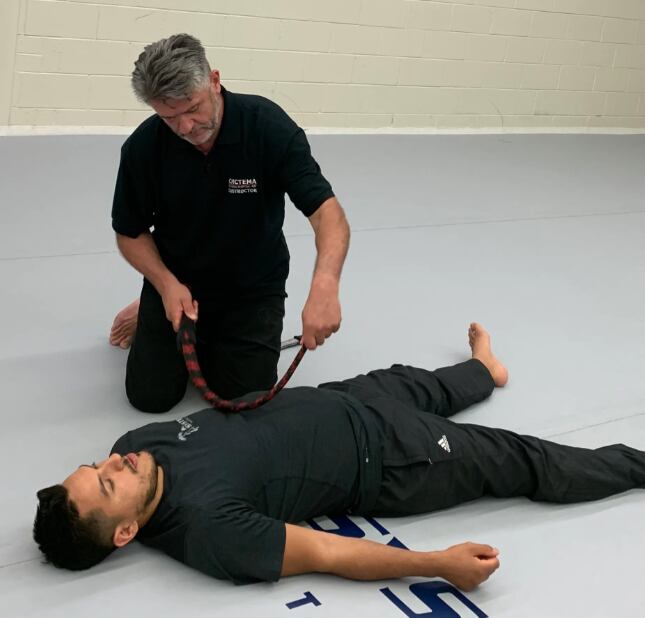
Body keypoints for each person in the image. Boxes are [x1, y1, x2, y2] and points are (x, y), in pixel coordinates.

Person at [34, 324, 645, 590]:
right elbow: (326, 553)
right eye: (108, 485)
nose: (115, 464)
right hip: (395, 460)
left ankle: (484, 370)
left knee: (423, 384)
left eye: (95, 466)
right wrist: (435, 565)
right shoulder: (209, 533)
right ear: (126, 533)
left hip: (344, 399)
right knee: (522, 458)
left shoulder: (131, 449)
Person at [108, 33, 350, 412]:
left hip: (251, 287)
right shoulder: (144, 147)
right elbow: (129, 231)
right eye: (169, 117)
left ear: (214, 81)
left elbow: (327, 214)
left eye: (192, 108)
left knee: (243, 399)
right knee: (150, 398)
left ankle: (175, 316)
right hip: (178, 282)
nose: (185, 127)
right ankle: (151, 304)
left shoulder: (267, 127)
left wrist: (325, 284)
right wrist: (165, 284)